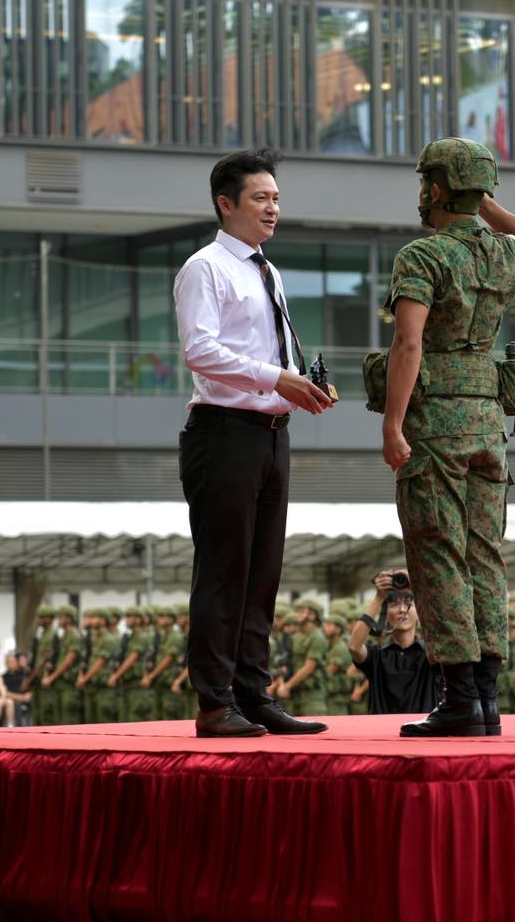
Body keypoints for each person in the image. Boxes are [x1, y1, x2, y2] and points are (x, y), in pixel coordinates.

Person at [381, 136, 515, 737]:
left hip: (435, 428)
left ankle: (459, 699)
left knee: (438, 554)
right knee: (485, 556)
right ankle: (487, 700)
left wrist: (392, 423)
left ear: (435, 188)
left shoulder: (422, 256)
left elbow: (409, 344)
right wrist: (484, 204)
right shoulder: (504, 254)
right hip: (488, 425)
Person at [174, 148, 335, 738]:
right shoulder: (205, 268)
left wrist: (301, 386)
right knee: (224, 570)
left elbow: (268, 355)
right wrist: (276, 379)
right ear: (226, 204)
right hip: (223, 432)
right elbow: (200, 351)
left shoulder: (267, 270)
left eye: (276, 198)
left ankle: (253, 693)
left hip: (271, 433)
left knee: (263, 571)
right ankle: (214, 702)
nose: (272, 209)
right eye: (260, 198)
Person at [347, 580, 444, 717]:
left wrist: (420, 584)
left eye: (408, 604)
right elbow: (354, 646)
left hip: (423, 727)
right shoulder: (377, 656)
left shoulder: (432, 654)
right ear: (385, 615)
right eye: (394, 605)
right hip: (383, 729)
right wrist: (379, 597)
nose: (402, 610)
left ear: (419, 613)